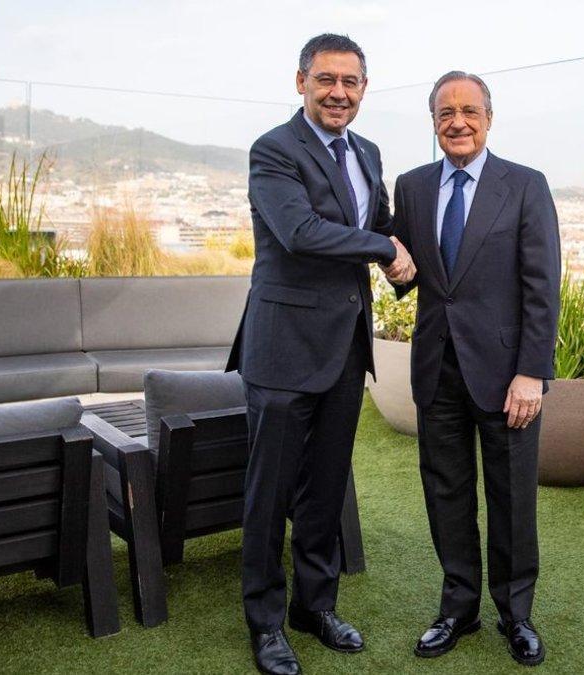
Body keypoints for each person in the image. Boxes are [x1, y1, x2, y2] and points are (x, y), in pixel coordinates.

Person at [226, 33, 414, 675]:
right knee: (268, 493)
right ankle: (265, 623)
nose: (339, 93)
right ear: (301, 80)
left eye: (351, 82)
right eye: (327, 80)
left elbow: (380, 224)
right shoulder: (273, 150)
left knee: (324, 489)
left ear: (364, 88)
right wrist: (384, 249)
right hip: (281, 350)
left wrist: (404, 258)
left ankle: (315, 605)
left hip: (343, 348)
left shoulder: (367, 152)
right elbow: (300, 233)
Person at [387, 70, 561, 667]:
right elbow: (411, 273)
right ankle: (458, 609)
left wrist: (532, 371)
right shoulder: (410, 187)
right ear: (433, 121)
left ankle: (517, 615)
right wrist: (394, 270)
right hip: (437, 369)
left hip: (508, 375)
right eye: (444, 113)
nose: (457, 122)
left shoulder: (526, 185)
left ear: (489, 117)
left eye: (468, 111)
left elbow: (543, 286)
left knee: (512, 498)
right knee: (447, 492)